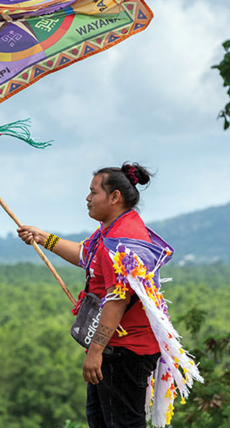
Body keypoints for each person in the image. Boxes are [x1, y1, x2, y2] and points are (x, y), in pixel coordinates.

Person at [17, 163, 162, 428]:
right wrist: (43, 237)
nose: (87, 198)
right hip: (115, 348)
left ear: (114, 197)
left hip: (125, 351)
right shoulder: (112, 230)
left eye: (94, 192)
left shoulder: (122, 240)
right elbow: (85, 254)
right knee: (100, 420)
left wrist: (95, 350)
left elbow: (117, 300)